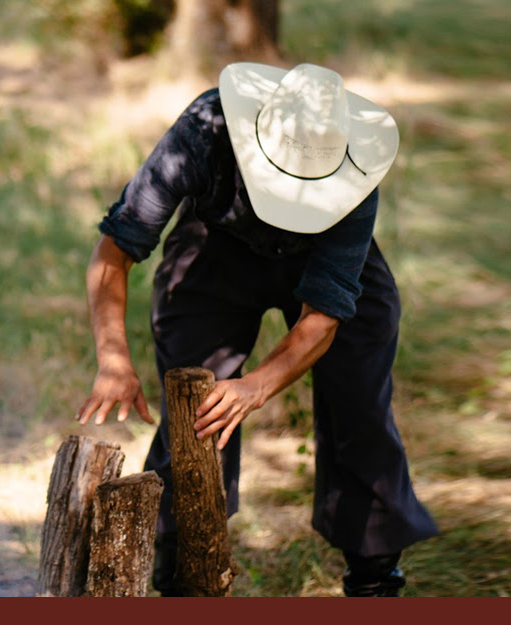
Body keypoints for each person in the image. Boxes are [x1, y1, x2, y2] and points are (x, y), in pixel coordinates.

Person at [76, 62, 438, 596]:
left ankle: (375, 581)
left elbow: (323, 317)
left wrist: (257, 386)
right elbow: (114, 252)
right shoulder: (204, 132)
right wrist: (113, 359)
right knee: (197, 414)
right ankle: (185, 579)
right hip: (216, 247)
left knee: (361, 409)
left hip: (321, 261)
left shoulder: (355, 170)